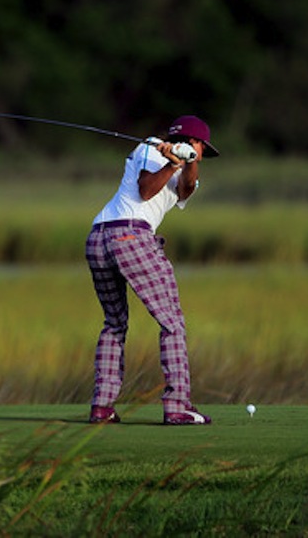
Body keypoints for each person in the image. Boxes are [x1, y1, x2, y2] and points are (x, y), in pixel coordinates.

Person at [85, 115, 219, 425]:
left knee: (114, 323)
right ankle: (177, 405)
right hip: (129, 236)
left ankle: (102, 407)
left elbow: (185, 190)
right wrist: (172, 161)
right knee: (172, 320)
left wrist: (186, 162)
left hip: (98, 239)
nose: (201, 153)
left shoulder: (185, 170)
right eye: (199, 146)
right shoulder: (151, 149)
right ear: (191, 140)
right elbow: (146, 190)